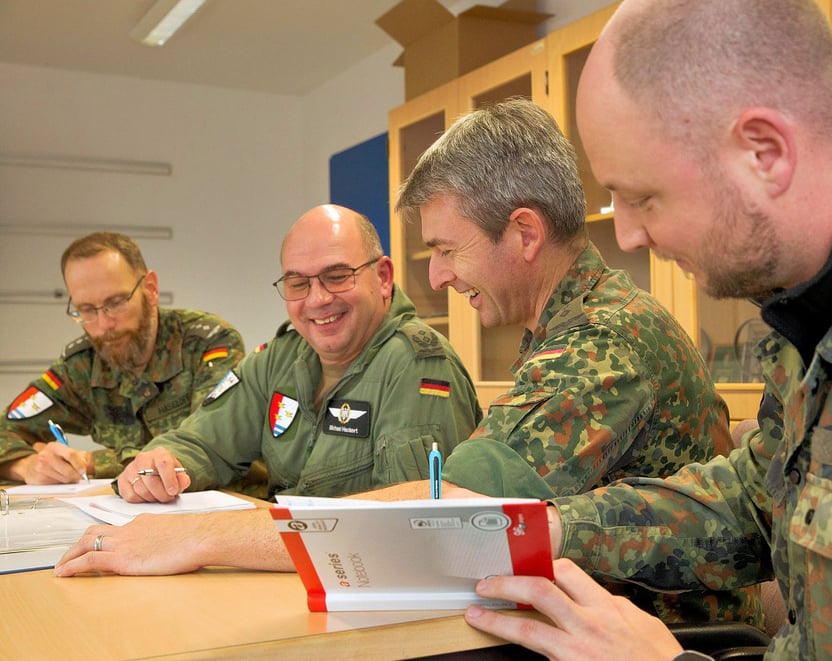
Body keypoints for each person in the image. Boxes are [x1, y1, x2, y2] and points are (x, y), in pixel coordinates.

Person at [453, 0, 832, 659]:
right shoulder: (821, 293)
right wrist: (546, 530)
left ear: (764, 151)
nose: (630, 235)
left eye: (642, 197)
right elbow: (756, 498)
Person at [56, 103, 753, 629]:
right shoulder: (569, 324)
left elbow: (446, 514)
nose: (442, 276)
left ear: (524, 233)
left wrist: (193, 536)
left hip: (652, 637)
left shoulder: (604, 340)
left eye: (448, 250)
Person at [108, 204, 481, 503]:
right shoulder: (280, 359)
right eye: (297, 283)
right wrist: (161, 463)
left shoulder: (417, 365)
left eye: (337, 276)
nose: (317, 300)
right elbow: (203, 441)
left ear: (383, 278)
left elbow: (409, 523)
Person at [0, 232, 244, 484]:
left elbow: (205, 445)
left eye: (115, 303)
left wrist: (92, 463)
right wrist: (25, 466)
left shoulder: (207, 343)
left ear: (150, 289)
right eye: (86, 310)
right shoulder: (83, 365)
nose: (104, 325)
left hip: (219, 505)